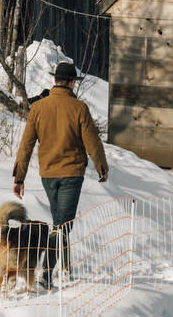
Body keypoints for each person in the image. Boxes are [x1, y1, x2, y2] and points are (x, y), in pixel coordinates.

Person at [12, 59, 108, 276]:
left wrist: (19, 178)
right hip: (71, 174)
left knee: (60, 223)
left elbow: (26, 145)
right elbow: (92, 141)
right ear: (72, 83)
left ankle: (66, 269)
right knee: (62, 226)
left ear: (55, 80)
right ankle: (46, 275)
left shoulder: (37, 108)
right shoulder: (79, 108)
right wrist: (102, 167)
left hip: (47, 174)